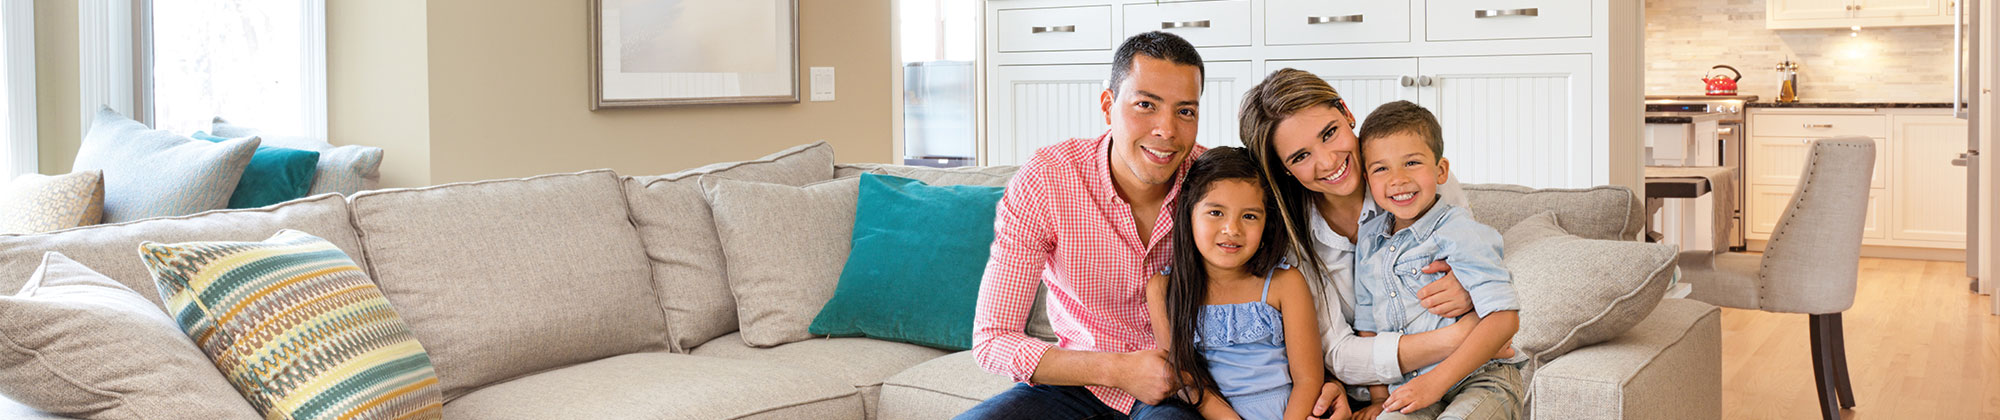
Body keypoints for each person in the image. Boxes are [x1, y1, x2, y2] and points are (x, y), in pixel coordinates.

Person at [956, 31, 1213, 420]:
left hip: (1179, 391)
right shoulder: (1048, 180)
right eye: (1145, 105)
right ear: (1108, 106)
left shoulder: (1215, 184)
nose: (1167, 130)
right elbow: (993, 339)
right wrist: (1118, 370)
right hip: (1080, 383)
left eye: (1185, 111)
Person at [1235, 69, 1510, 417]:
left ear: (1347, 113)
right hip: (1387, 389)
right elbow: (1339, 355)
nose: (1328, 161)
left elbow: (1481, 265)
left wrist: (1470, 289)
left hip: (1462, 375)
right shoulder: (1290, 238)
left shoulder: (1416, 177)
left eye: (1330, 133)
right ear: (1284, 169)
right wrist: (1464, 334)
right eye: (1300, 156)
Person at [1349, 101, 1522, 420]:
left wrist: (1435, 383)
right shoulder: (1369, 240)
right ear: (1367, 179)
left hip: (1481, 378)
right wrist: (1379, 399)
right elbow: (1368, 328)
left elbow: (1504, 318)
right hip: (1412, 387)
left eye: (1412, 162)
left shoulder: (1460, 230)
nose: (1398, 179)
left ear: (1440, 170)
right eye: (1381, 168)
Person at [1143, 147, 1324, 420]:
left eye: (1249, 216)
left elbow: (1308, 380)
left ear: (1266, 223)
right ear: (1189, 213)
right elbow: (1187, 382)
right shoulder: (1164, 289)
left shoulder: (1284, 283)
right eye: (1216, 212)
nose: (1232, 229)